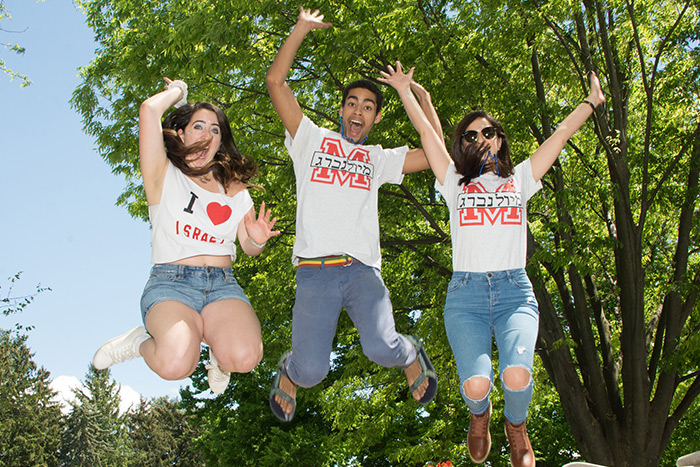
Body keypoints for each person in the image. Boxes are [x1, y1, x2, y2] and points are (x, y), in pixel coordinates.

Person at [379, 62, 605, 467]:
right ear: (463, 145)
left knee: (516, 376)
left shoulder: (519, 180)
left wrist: (590, 102)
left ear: (499, 140)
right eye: (470, 135)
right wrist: (403, 90)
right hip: (465, 297)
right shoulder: (453, 181)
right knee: (478, 384)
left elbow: (560, 135)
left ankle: (516, 426)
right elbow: (427, 136)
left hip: (514, 293)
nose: (480, 139)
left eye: (487, 132)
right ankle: (479, 415)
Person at [265, 7, 438, 422]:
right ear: (342, 110)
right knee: (311, 372)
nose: (357, 111)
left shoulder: (377, 159)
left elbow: (436, 156)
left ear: (376, 117)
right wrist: (301, 28)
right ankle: (289, 370)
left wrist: (419, 98)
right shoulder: (311, 141)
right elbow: (275, 82)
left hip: (362, 271)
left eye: (367, 106)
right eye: (351, 103)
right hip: (314, 272)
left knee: (382, 349)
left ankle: (411, 351)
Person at [93, 78, 280, 394]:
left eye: (216, 130)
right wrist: (179, 92)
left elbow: (248, 248)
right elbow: (149, 111)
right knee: (176, 365)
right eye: (199, 126)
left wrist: (257, 238)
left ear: (221, 142)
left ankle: (220, 358)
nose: (208, 134)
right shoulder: (163, 174)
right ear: (181, 132)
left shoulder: (233, 187)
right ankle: (139, 341)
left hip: (223, 285)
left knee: (246, 357)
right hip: (172, 284)